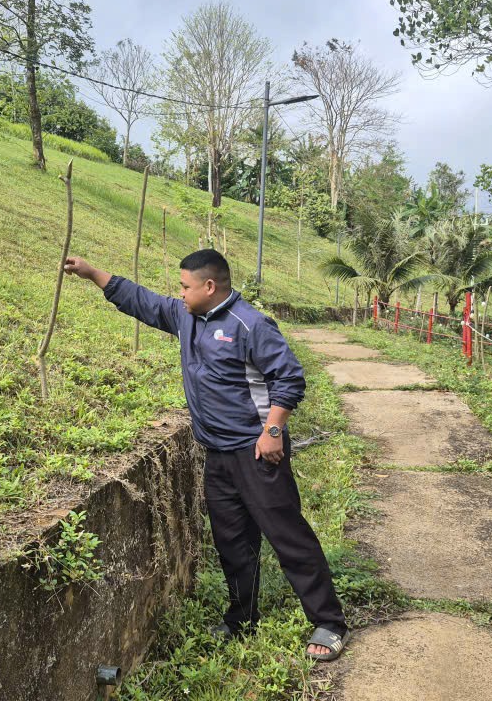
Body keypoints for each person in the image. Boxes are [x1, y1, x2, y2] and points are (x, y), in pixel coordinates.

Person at [62, 249, 350, 662]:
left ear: (209, 286)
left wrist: (272, 432)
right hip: (216, 452)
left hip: (256, 452)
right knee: (232, 541)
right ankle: (242, 617)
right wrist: (92, 273)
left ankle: (329, 622)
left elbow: (288, 377)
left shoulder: (250, 324)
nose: (179, 293)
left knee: (288, 536)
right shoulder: (186, 317)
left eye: (185, 286)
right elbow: (140, 301)